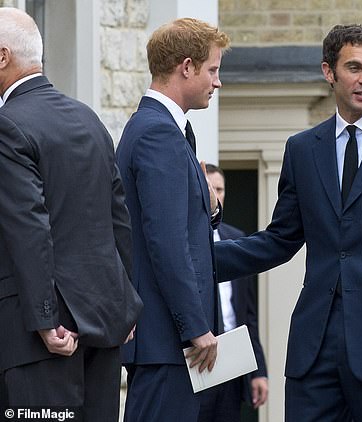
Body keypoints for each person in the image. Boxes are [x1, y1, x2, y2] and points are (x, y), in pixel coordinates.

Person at [214, 24, 362, 421]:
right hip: (314, 350)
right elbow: (280, 239)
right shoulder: (301, 149)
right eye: (354, 67)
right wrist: (202, 260)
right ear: (328, 72)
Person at [0, 7, 142, 421]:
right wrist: (124, 305)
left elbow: (29, 226)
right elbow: (119, 218)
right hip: (102, 327)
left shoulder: (7, 125)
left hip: (43, 339)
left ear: (3, 56)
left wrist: (45, 320)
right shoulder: (89, 119)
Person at [116, 18, 229, 422]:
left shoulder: (167, 129)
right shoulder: (157, 133)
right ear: (186, 66)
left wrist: (210, 207)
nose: (218, 83)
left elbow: (183, 226)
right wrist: (195, 328)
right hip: (167, 342)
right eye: (213, 70)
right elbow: (166, 242)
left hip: (167, 342)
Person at [197, 164, 268, 422]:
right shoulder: (185, 240)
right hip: (197, 359)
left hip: (232, 362)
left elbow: (248, 314)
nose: (216, 194)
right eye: (210, 188)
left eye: (220, 189)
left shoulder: (236, 239)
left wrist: (259, 370)